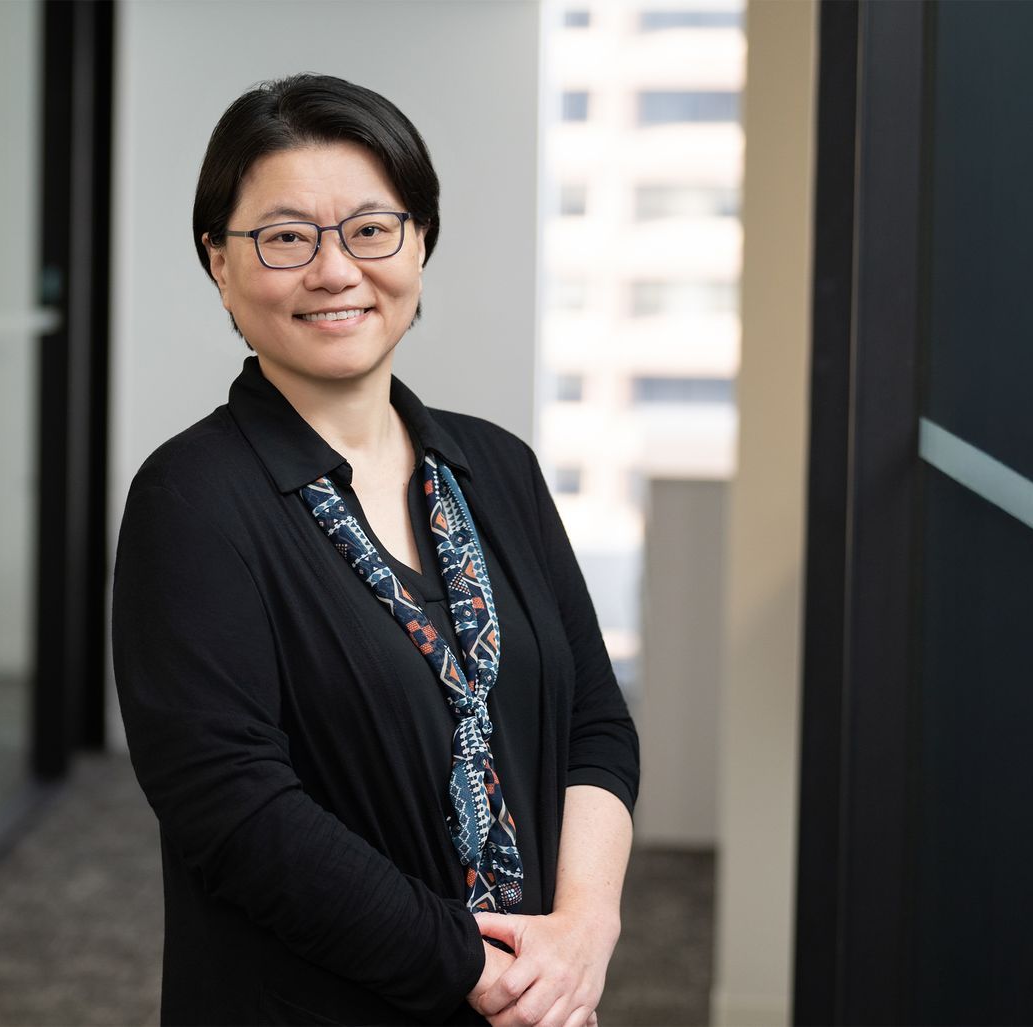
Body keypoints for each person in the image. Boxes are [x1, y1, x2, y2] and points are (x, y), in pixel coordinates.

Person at [113, 73, 639, 1027]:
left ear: (420, 241)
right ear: (219, 262)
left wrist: (583, 931)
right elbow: (237, 812)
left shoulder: (497, 468)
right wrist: (493, 976)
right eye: (285, 238)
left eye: (370, 228)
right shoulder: (190, 499)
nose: (334, 270)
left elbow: (594, 725)